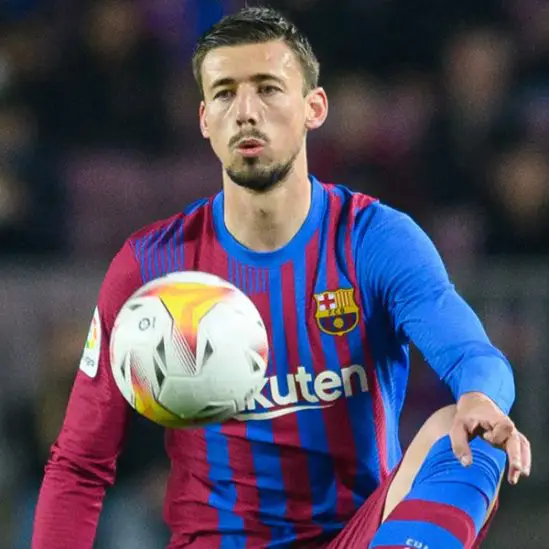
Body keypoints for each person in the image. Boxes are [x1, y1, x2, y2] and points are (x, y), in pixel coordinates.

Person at [32, 7, 531, 549]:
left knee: (473, 427)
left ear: (314, 107)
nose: (246, 111)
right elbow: (80, 463)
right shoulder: (151, 268)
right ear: (204, 119)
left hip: (354, 538)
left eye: (268, 88)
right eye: (224, 93)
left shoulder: (373, 239)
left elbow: (474, 358)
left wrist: (482, 396)